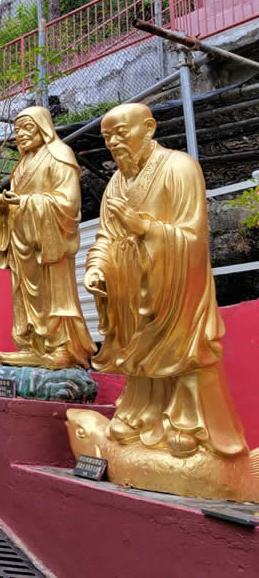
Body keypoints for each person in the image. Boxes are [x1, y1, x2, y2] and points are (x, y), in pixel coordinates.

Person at [85, 103, 247, 458]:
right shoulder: (115, 183)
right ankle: (137, 415)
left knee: (180, 350)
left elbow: (193, 237)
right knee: (137, 355)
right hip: (129, 285)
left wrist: (143, 227)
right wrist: (96, 268)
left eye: (120, 132)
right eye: (107, 136)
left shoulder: (179, 168)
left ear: (149, 127)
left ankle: (186, 423)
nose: (113, 142)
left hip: (172, 284)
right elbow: (104, 237)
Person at [0, 106, 95, 369]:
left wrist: (25, 202)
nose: (21, 135)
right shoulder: (21, 165)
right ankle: (32, 347)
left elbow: (69, 202)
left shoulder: (59, 154)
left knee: (54, 294)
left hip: (49, 240)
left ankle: (62, 346)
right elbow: (16, 201)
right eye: (17, 130)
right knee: (24, 295)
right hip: (22, 242)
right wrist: (3, 207)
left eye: (28, 127)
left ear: (44, 127)